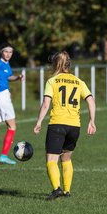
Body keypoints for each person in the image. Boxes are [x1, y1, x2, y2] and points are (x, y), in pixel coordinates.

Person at [34, 51, 96, 200]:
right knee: (66, 158)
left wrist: (39, 122)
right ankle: (67, 191)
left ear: (55, 64)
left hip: (57, 124)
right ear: (69, 64)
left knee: (51, 160)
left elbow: (46, 104)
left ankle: (57, 189)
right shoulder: (79, 81)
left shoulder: (52, 81)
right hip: (75, 126)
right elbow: (91, 100)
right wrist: (92, 121)